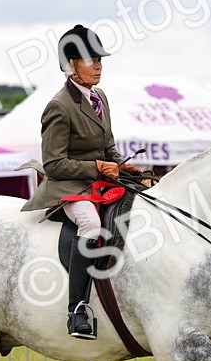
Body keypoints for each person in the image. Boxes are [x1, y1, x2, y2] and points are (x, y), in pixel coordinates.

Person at [20, 24, 143, 340]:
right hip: (68, 187)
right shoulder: (59, 106)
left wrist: (124, 166)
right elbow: (54, 164)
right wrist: (98, 167)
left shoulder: (99, 97)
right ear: (70, 66)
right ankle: (77, 310)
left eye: (100, 59)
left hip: (98, 182)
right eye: (91, 60)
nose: (99, 65)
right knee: (90, 224)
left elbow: (108, 146)